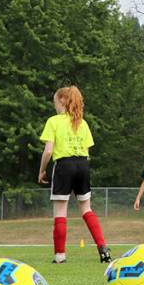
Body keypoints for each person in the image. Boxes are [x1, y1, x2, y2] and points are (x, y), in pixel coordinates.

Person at [38, 86, 111, 263]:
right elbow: (87, 151)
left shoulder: (54, 121)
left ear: (62, 101)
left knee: (60, 212)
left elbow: (48, 151)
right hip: (83, 164)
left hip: (64, 165)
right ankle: (103, 249)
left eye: (55, 102)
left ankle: (60, 256)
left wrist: (41, 170)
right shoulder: (82, 122)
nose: (54, 106)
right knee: (86, 209)